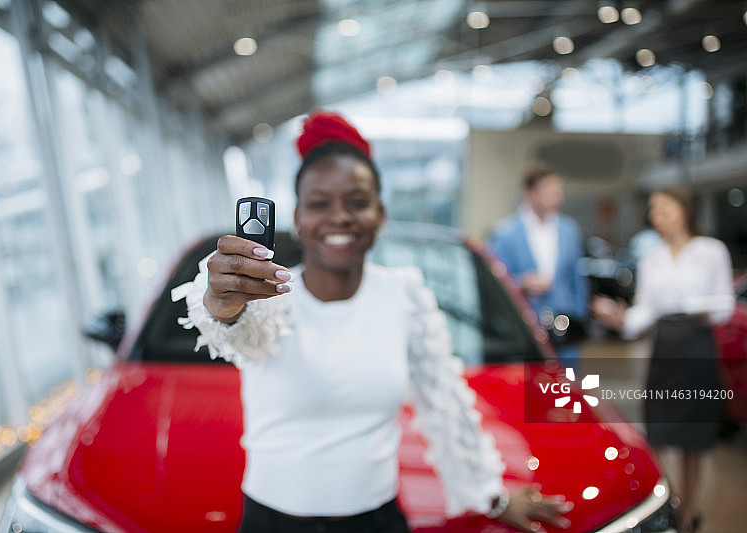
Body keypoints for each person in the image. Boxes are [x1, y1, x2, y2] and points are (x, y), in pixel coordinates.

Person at [173, 111, 573, 533]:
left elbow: (444, 404)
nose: (340, 216)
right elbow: (236, 330)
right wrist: (222, 303)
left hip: (377, 521)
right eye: (319, 203)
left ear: (380, 214)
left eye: (357, 202)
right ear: (297, 218)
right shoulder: (267, 294)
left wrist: (491, 496)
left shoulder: (404, 295)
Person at [591, 185, 735, 533]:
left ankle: (688, 513)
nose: (658, 219)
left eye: (664, 211)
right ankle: (669, 507)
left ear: (684, 211)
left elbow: (726, 306)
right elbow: (646, 311)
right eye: (653, 212)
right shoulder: (652, 256)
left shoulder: (710, 251)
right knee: (662, 431)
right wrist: (621, 320)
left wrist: (692, 306)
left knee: (694, 438)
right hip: (666, 348)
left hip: (697, 345)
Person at [489, 167, 589, 370]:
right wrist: (520, 283)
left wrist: (580, 321)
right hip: (525, 328)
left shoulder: (569, 231)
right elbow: (493, 283)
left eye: (558, 190)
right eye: (549, 190)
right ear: (530, 194)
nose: (557, 196)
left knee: (564, 391)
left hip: (564, 329)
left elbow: (576, 281)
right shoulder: (505, 234)